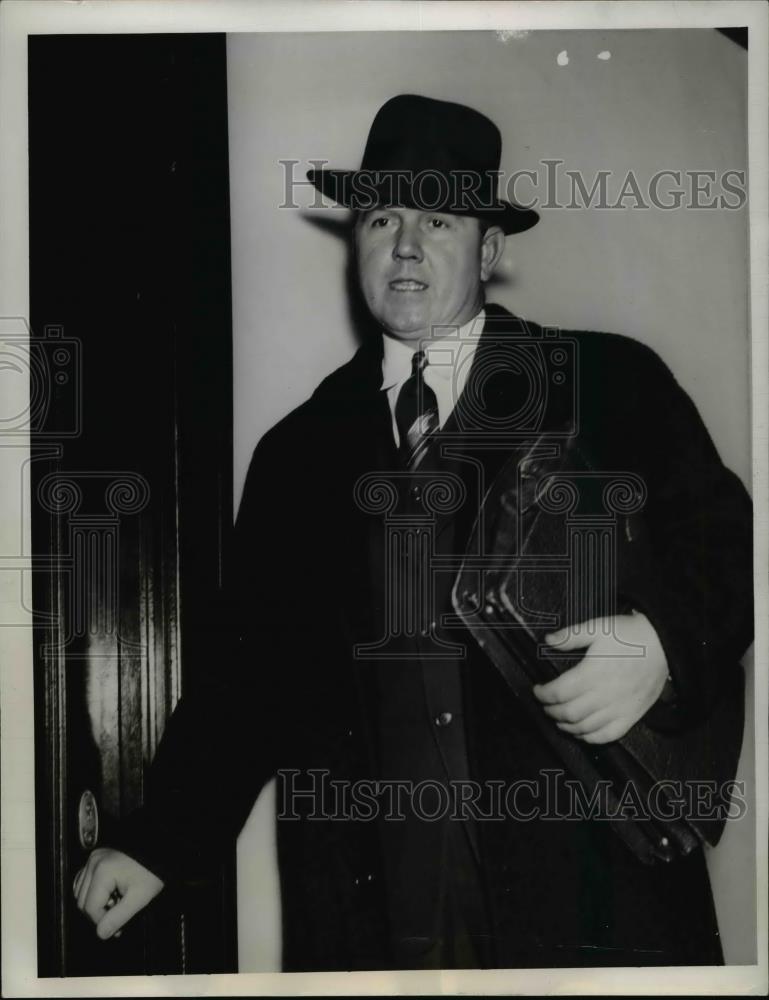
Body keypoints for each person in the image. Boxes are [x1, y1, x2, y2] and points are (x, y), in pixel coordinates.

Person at [73, 94, 753, 970]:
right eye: (382, 216)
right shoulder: (297, 454)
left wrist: (661, 644)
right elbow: (245, 680)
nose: (403, 245)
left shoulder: (607, 383)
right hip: (377, 904)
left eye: (437, 217)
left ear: (490, 248)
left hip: (586, 885)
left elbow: (728, 546)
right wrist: (158, 841)